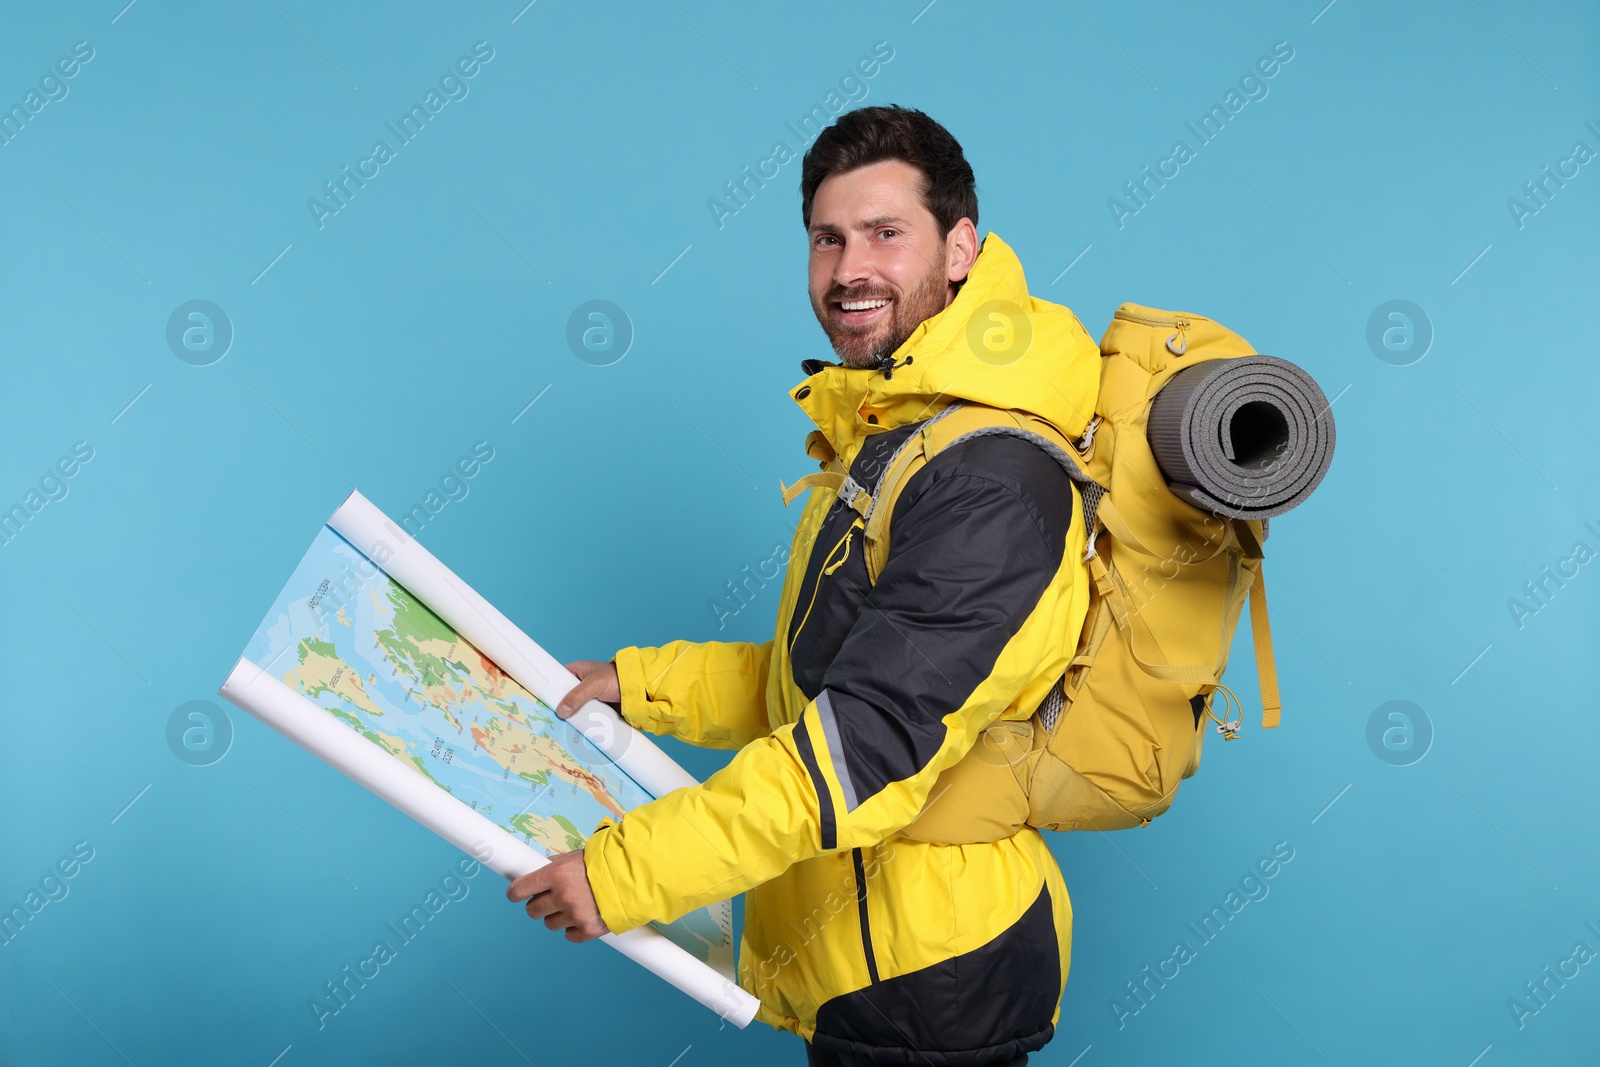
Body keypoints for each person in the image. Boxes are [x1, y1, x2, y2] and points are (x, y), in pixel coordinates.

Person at [507, 104, 1102, 1066]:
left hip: (930, 984)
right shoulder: (905, 435)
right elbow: (819, 680)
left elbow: (860, 746)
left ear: (960, 249)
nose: (848, 269)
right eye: (828, 238)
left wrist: (624, 874)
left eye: (884, 233)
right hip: (873, 963)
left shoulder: (989, 478)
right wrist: (638, 681)